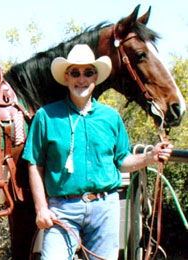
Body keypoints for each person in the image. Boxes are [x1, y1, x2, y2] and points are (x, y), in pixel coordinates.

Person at [22, 44, 173, 260]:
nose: (81, 79)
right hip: (62, 209)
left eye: (88, 72)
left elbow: (122, 161)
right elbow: (34, 164)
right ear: (66, 77)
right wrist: (41, 209)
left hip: (105, 208)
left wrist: (149, 157)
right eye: (75, 72)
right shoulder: (46, 116)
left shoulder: (111, 118)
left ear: (96, 78)